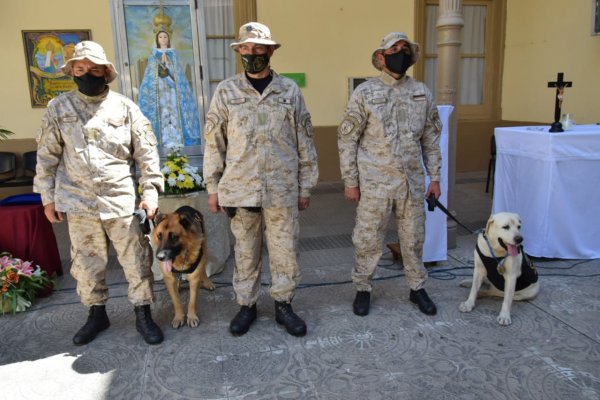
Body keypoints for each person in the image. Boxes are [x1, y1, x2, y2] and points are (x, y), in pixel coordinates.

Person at [34, 41, 165, 345]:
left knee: (136, 260)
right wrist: (47, 197)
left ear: (106, 72)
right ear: (72, 72)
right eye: (80, 69)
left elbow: (147, 154)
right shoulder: (58, 108)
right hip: (78, 201)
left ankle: (143, 314)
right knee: (86, 263)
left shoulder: (125, 107)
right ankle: (96, 314)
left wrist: (151, 193)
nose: (87, 74)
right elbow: (47, 156)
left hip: (120, 200)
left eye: (94, 69)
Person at [203, 22, 318, 337]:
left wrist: (305, 185)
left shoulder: (289, 91)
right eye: (246, 48)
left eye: (258, 48)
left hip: (282, 189)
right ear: (239, 51)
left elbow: (305, 141)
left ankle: (283, 305)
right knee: (245, 250)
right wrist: (213, 188)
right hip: (240, 190)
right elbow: (214, 143)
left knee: (285, 250)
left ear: (271, 50)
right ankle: (246, 305)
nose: (252, 53)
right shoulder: (226, 91)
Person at [338, 32, 442, 317]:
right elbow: (348, 140)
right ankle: (362, 288)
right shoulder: (365, 93)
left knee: (413, 239)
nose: (401, 52)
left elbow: (431, 140)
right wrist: (351, 182)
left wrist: (434, 178)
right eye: (394, 49)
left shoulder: (422, 93)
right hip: (375, 184)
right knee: (368, 239)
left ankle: (417, 287)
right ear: (381, 57)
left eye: (405, 49)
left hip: (411, 184)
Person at [138, 29, 201, 148]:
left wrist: (169, 65)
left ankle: (177, 138)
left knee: (174, 111)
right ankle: (163, 139)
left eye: (165, 37)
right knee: (162, 113)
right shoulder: (154, 54)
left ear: (169, 39)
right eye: (160, 37)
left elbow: (178, 73)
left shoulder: (173, 53)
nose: (163, 39)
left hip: (172, 89)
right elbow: (150, 74)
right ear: (157, 39)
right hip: (160, 90)